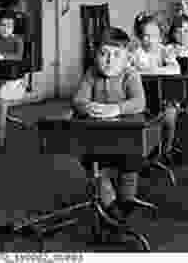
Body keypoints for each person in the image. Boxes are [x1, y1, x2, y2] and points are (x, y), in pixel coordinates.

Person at [72, 27, 148, 236]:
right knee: (93, 165)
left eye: (116, 55)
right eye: (103, 54)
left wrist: (117, 108)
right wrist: (88, 107)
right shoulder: (91, 74)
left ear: (127, 59)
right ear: (95, 55)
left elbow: (139, 102)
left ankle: (126, 204)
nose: (109, 60)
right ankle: (111, 209)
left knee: (130, 164)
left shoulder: (130, 75)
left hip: (125, 138)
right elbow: (78, 100)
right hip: (96, 139)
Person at [131, 12, 179, 161]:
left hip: (164, 98)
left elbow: (175, 69)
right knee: (137, 118)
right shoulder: (136, 54)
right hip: (142, 99)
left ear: (160, 36)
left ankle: (166, 149)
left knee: (170, 114)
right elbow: (128, 70)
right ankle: (142, 151)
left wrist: (152, 71)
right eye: (145, 36)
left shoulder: (165, 51)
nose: (150, 40)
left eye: (154, 36)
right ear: (139, 37)